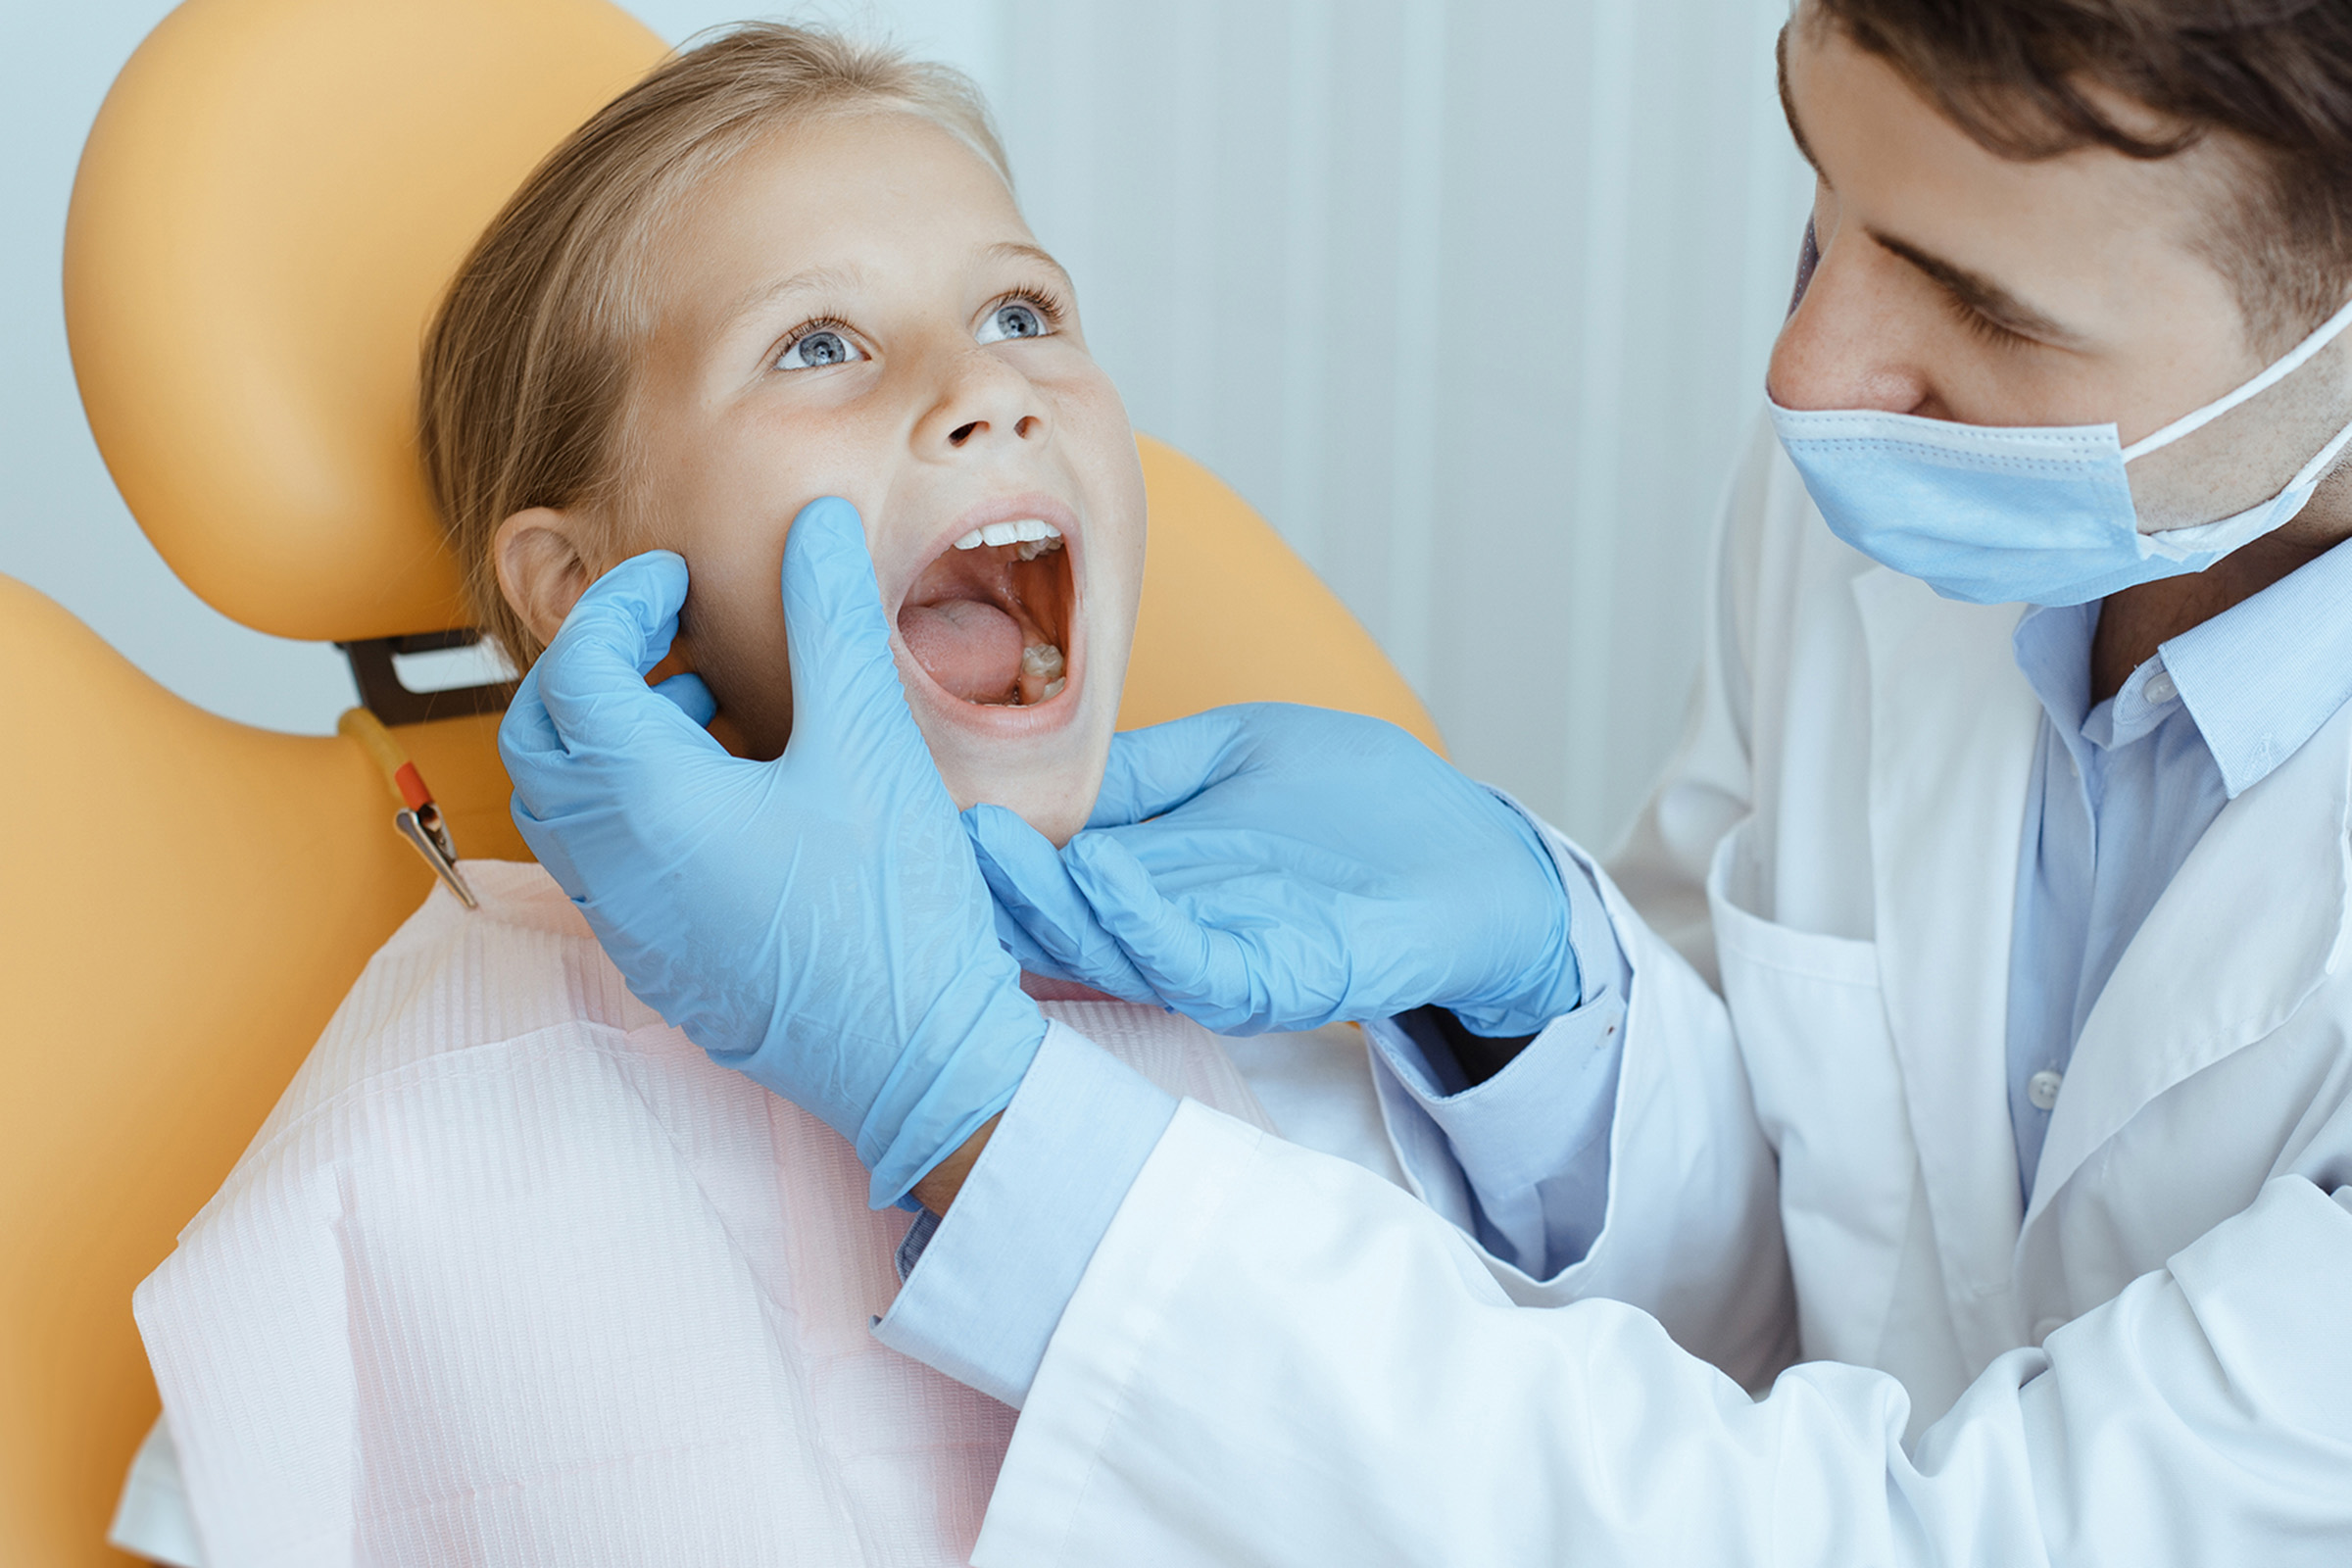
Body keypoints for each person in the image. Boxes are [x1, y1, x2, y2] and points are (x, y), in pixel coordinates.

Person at [508, 0, 2352, 1561]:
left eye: (1987, 311)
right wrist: (1560, 1015)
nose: (1810, 372)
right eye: (1821, 195)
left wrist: (974, 1116)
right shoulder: (479, 1081)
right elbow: (1810, 1266)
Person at [121, 27, 1396, 1567]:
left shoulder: (1285, 988)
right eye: (819, 345)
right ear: (586, 587)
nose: (988, 385)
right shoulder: (433, 1118)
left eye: (1019, 309)